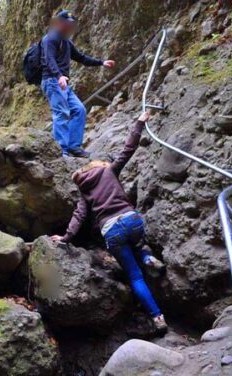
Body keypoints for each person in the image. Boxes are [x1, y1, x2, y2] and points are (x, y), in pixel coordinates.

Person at [50, 111, 167, 332]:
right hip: (131, 219)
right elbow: (127, 150)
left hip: (111, 230)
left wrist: (65, 238)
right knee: (139, 244)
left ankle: (158, 317)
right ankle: (149, 258)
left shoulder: (84, 191)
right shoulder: (108, 171)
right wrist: (139, 123)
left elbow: (79, 216)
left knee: (135, 277)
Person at [41, 9, 116, 158]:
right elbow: (49, 59)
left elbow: (82, 58)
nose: (70, 27)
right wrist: (59, 76)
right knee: (61, 113)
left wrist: (102, 62)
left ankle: (74, 147)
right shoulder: (50, 39)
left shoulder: (66, 42)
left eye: (72, 25)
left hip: (62, 84)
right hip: (52, 81)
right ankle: (62, 152)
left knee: (79, 110)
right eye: (67, 24)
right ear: (59, 23)